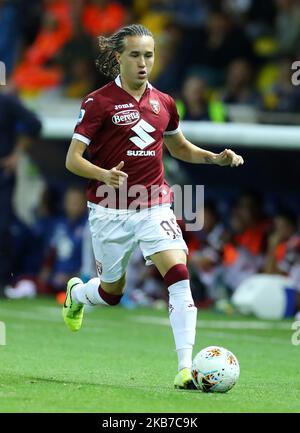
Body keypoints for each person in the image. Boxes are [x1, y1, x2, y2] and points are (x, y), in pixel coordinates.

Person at [63, 24, 244, 390]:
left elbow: (179, 148)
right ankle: (77, 294)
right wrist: (104, 174)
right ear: (118, 57)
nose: (143, 63)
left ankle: (184, 368)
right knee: (111, 293)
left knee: (178, 272)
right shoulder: (98, 103)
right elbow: (72, 160)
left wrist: (213, 158)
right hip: (109, 208)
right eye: (135, 55)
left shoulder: (165, 102)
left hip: (154, 203)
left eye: (149, 55)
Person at [0, 90, 41, 294]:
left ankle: (3, 281)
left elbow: (34, 123)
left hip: (2, 174)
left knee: (2, 226)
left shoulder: (6, 101)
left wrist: (17, 154)